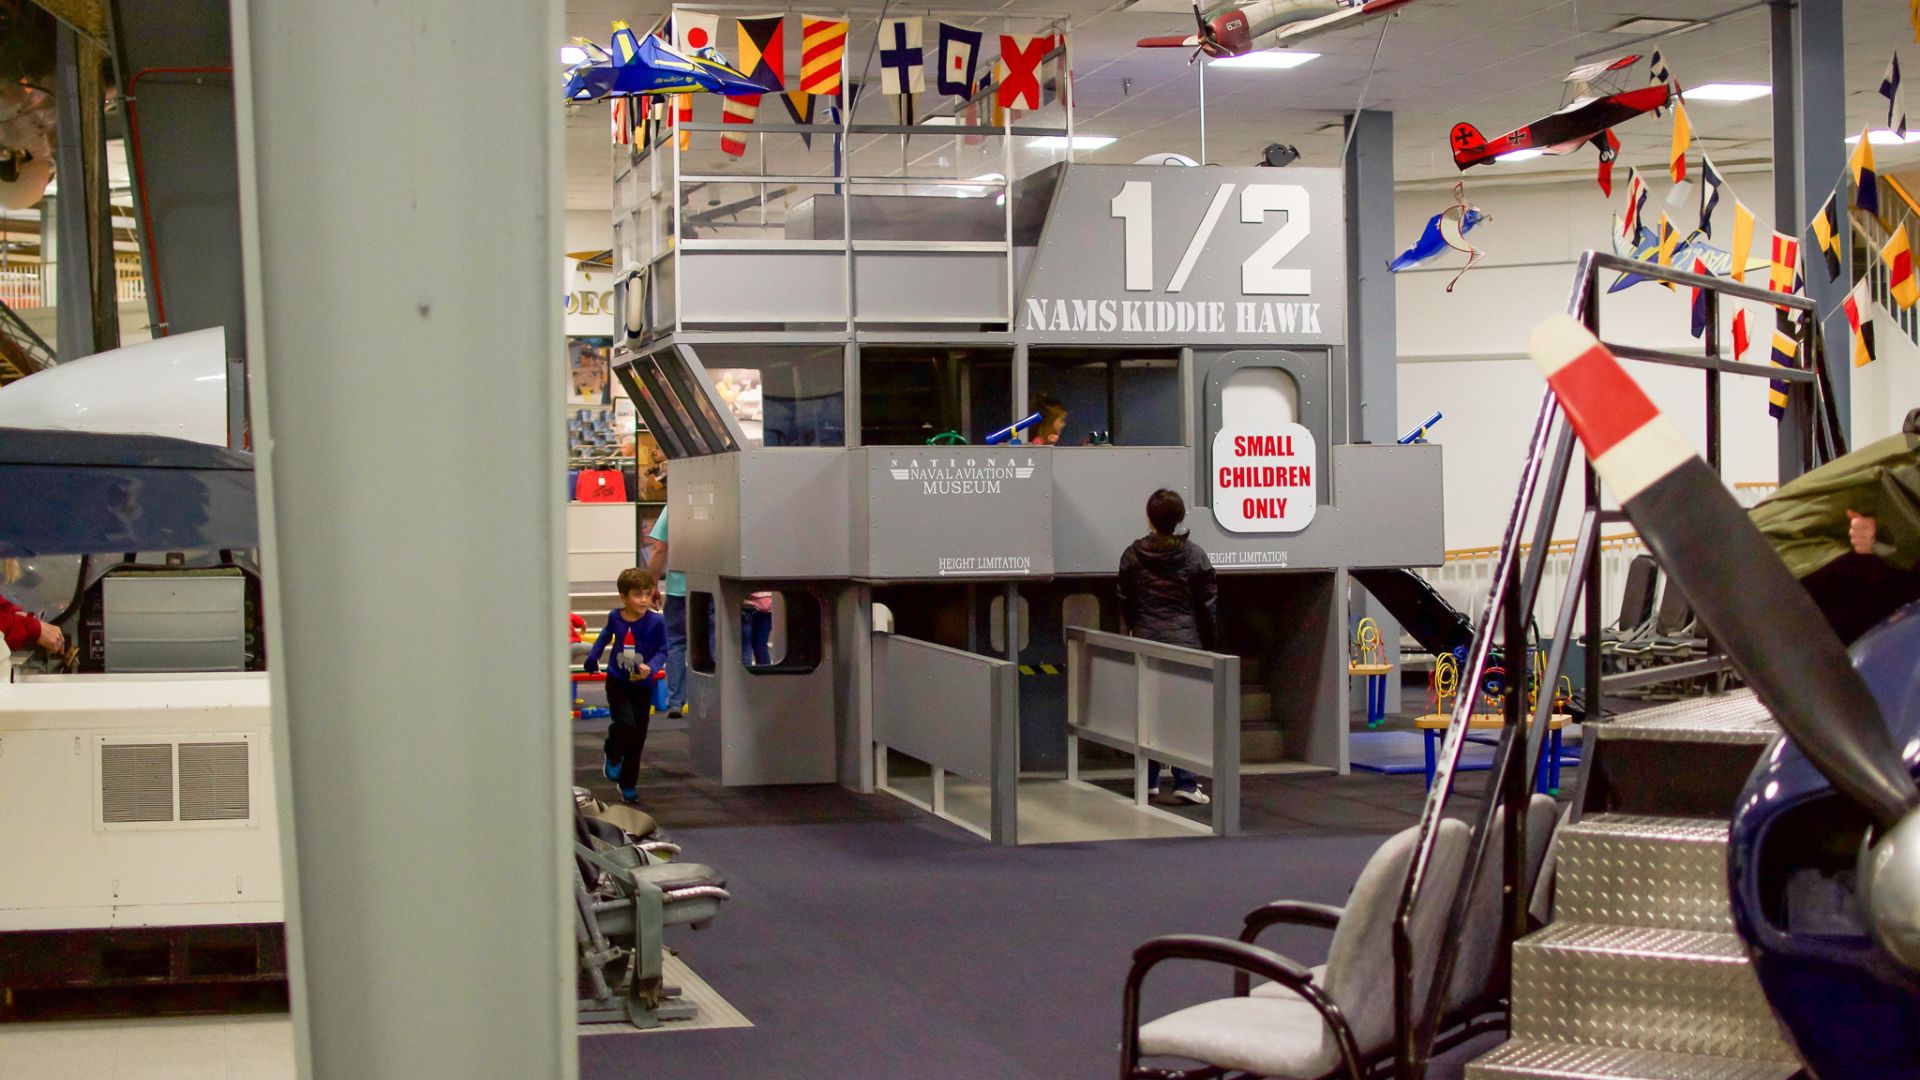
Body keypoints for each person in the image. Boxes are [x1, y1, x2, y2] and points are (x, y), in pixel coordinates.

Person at [1115, 488, 1218, 805]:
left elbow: (1125, 601)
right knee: (1185, 712)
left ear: (1149, 518)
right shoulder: (1196, 556)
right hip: (1186, 642)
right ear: (1180, 519)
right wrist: (1207, 642)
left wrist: (1133, 630)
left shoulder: (1132, 556)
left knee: (1148, 710)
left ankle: (1147, 781)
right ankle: (1186, 783)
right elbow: (1208, 605)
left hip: (1147, 640)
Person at [583, 567, 668, 803]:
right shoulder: (614, 617)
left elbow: (664, 650)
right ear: (624, 597)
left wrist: (651, 665)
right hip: (618, 682)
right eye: (637, 595)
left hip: (643, 685)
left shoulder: (656, 622)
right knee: (625, 723)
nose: (643, 600)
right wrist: (593, 657)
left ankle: (628, 783)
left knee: (638, 736)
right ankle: (612, 752)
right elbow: (604, 637)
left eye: (647, 594)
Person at [647, 504, 688, 716]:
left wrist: (651, 584)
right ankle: (711, 700)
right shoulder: (717, 498)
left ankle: (675, 702)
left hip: (678, 589)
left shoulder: (673, 506)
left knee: (676, 644)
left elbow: (659, 548)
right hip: (710, 586)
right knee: (711, 645)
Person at [741, 591, 773, 666]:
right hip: (767, 606)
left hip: (748, 605)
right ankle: (765, 676)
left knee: (746, 646)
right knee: (761, 647)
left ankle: (745, 676)